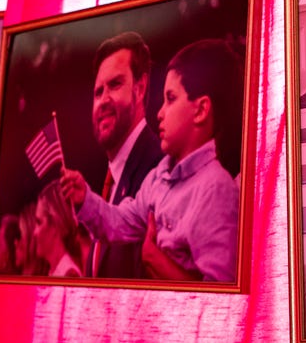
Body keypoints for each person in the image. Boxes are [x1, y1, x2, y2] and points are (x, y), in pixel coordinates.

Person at [59, 39, 241, 282]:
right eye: (98, 91)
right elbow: (120, 223)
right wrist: (85, 200)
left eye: (171, 98)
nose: (160, 112)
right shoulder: (159, 176)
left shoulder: (216, 189)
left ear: (201, 110)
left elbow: (221, 298)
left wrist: (157, 262)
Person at [81, 31, 165, 278]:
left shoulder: (161, 169)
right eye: (98, 92)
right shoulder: (112, 179)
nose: (103, 100)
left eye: (115, 85)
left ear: (139, 90)